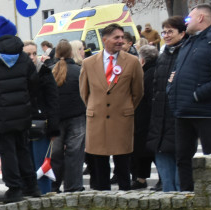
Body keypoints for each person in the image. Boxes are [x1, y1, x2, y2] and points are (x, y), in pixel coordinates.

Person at [168, 3, 211, 192]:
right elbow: (177, 71)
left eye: (189, 18)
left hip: (204, 111)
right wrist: (171, 88)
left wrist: (198, 94)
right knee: (182, 158)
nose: (186, 22)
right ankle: (187, 196)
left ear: (201, 18)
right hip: (183, 110)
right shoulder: (190, 42)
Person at [0, 16, 39, 203]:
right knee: (23, 148)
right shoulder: (23, 58)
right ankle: (32, 186)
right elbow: (33, 83)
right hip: (22, 112)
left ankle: (14, 188)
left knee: (7, 151)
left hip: (1, 113)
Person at [80, 23, 143, 191]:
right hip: (97, 120)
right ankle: (103, 196)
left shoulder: (132, 62)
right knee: (100, 163)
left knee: (122, 163)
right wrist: (96, 107)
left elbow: (137, 93)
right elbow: (84, 93)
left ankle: (125, 197)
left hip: (121, 119)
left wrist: (125, 108)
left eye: (122, 37)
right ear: (105, 39)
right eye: (116, 37)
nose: (120, 41)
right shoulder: (88, 63)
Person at [146, 17, 186, 192]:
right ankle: (168, 195)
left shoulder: (186, 54)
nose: (166, 35)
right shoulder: (162, 56)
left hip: (176, 115)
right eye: (164, 32)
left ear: (182, 33)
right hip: (159, 117)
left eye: (170, 31)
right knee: (161, 156)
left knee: (179, 161)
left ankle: (179, 197)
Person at [49, 39, 86, 193]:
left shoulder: (50, 71)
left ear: (56, 53)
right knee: (75, 153)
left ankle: (53, 185)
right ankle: (73, 186)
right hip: (77, 116)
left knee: (55, 155)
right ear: (71, 53)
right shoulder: (79, 71)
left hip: (55, 119)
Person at [24, 40, 59, 195]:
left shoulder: (44, 72)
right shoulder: (19, 74)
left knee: (42, 165)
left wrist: (53, 128)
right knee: (27, 165)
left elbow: (53, 101)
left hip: (41, 125)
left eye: (34, 53)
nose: (32, 57)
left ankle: (44, 196)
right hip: (23, 125)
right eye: (28, 54)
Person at [131, 45, 158, 188]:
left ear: (142, 60)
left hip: (144, 118)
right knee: (145, 150)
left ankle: (142, 178)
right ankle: (141, 178)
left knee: (145, 150)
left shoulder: (147, 74)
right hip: (148, 117)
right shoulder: (153, 71)